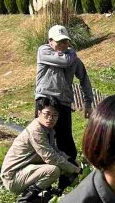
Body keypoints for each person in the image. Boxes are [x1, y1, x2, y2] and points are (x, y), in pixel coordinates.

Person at [0, 96, 81, 203]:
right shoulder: (36, 130)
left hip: (25, 170)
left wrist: (70, 160)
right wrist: (74, 169)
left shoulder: (48, 130)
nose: (50, 118)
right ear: (39, 113)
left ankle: (41, 193)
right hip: (13, 177)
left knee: (61, 164)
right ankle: (25, 199)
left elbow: (54, 150)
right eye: (47, 114)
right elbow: (50, 157)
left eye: (54, 115)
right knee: (53, 170)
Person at [36, 23, 95, 161]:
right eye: (59, 41)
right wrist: (72, 52)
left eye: (65, 41)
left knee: (65, 138)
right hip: (45, 99)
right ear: (50, 41)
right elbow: (64, 61)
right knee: (42, 136)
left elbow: (84, 79)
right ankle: (43, 168)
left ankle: (69, 169)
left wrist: (88, 102)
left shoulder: (73, 58)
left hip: (63, 102)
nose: (62, 44)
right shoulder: (43, 51)